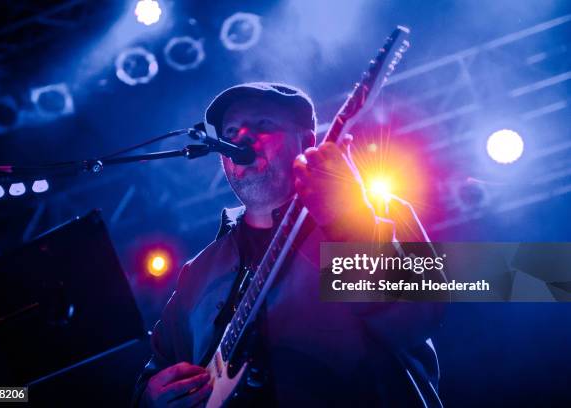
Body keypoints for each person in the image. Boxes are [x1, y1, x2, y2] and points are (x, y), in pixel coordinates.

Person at [134, 82, 445, 407]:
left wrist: (350, 223)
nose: (242, 137)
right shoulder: (197, 272)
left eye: (263, 125)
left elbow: (420, 317)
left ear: (307, 143)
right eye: (231, 131)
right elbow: (154, 373)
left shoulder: (378, 212)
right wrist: (150, 398)